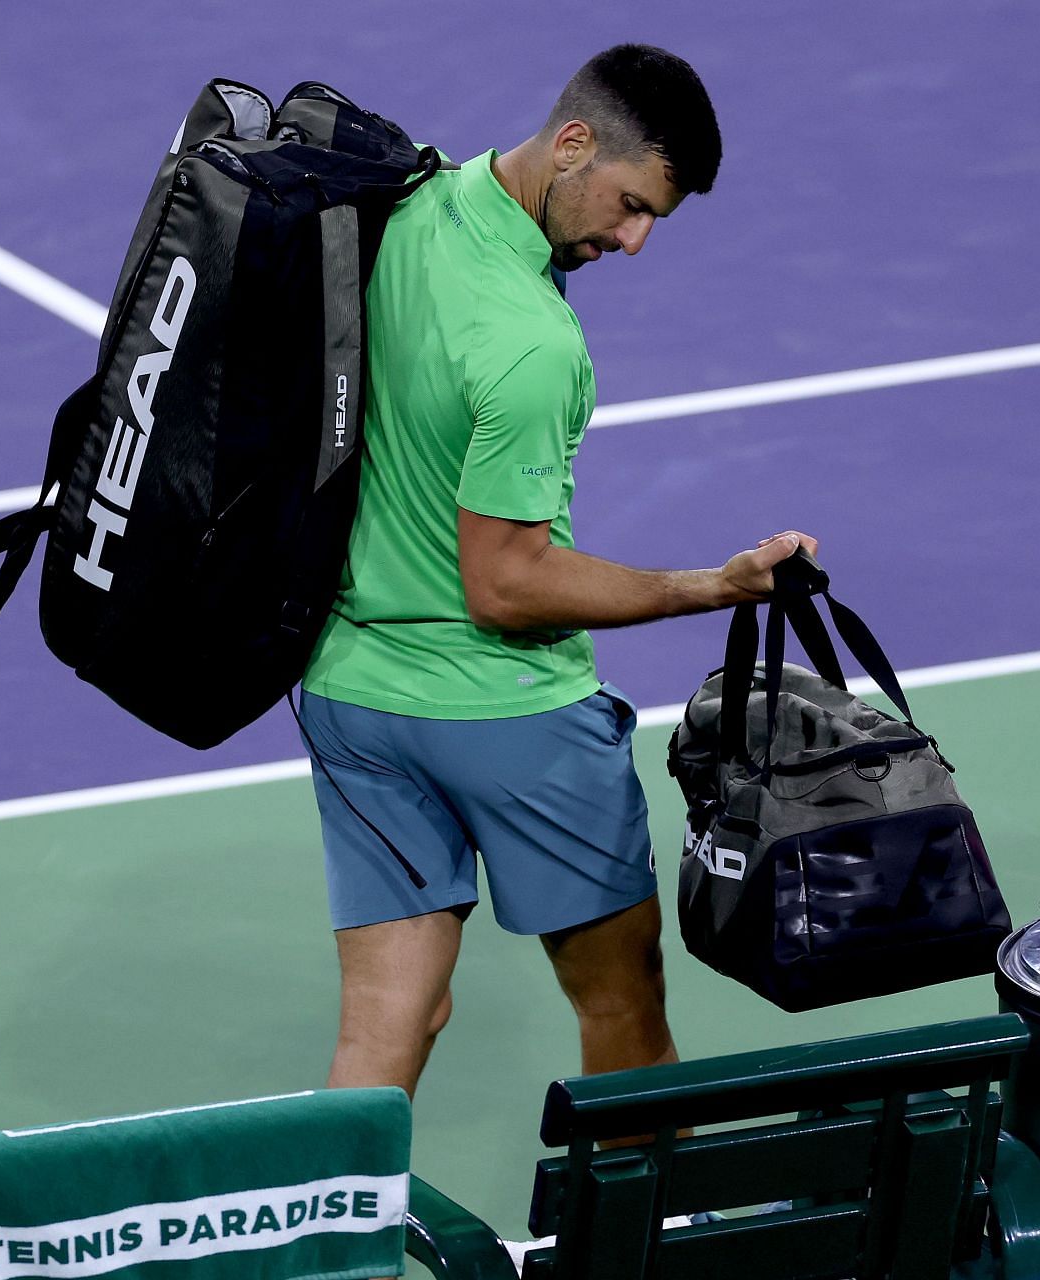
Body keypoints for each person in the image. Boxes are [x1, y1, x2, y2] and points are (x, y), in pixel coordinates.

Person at [299, 43, 819, 1098]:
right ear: (574, 143)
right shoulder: (534, 344)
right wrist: (708, 586)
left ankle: (334, 1251)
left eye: (652, 223)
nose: (630, 242)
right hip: (508, 717)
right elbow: (507, 584)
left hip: (352, 697)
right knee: (623, 1011)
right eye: (630, 206)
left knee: (386, 1025)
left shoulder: (410, 202)